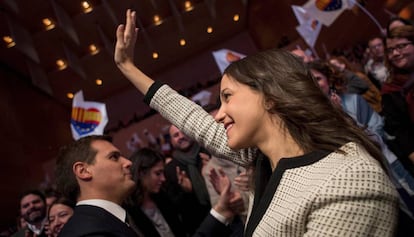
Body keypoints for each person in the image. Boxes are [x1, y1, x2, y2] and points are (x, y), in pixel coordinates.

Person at [115, 9, 399, 236]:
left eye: (227, 97)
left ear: (271, 97)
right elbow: (193, 119)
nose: (218, 114)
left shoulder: (347, 179)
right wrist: (128, 67)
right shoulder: (263, 157)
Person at [55, 134, 237, 237]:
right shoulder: (90, 234)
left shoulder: (103, 221)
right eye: (114, 157)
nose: (127, 163)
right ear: (83, 171)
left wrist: (220, 212)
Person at [125, 148, 187, 237]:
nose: (163, 178)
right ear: (141, 173)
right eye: (158, 173)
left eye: (163, 173)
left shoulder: (162, 196)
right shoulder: (129, 211)